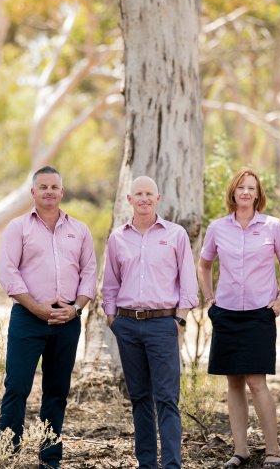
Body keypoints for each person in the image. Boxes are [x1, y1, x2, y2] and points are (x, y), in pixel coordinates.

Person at [0, 166, 97, 469]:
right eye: (43, 187)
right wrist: (37, 307)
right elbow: (8, 273)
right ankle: (7, 454)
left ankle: (49, 459)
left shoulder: (79, 230)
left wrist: (76, 308)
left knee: (56, 392)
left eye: (54, 186)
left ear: (62, 192)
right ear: (33, 192)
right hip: (28, 318)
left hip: (68, 320)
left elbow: (89, 272)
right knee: (17, 388)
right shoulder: (18, 228)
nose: (49, 192)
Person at [197, 168, 280, 469]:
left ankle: (273, 451)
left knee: (256, 381)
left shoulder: (273, 227)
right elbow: (203, 266)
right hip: (225, 314)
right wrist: (210, 300)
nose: (246, 192)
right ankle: (240, 451)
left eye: (252, 188)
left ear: (258, 194)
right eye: (241, 187)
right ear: (233, 192)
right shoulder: (217, 228)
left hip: (259, 314)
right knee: (234, 381)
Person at [102, 176, 198, 469]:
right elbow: (110, 283)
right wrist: (112, 318)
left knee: (167, 398)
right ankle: (146, 464)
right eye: (138, 194)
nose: (144, 198)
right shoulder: (118, 237)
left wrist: (179, 320)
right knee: (140, 398)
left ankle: (171, 465)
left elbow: (188, 283)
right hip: (128, 326)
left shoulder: (176, 234)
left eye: (149, 194)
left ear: (158, 198)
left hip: (162, 325)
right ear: (129, 200)